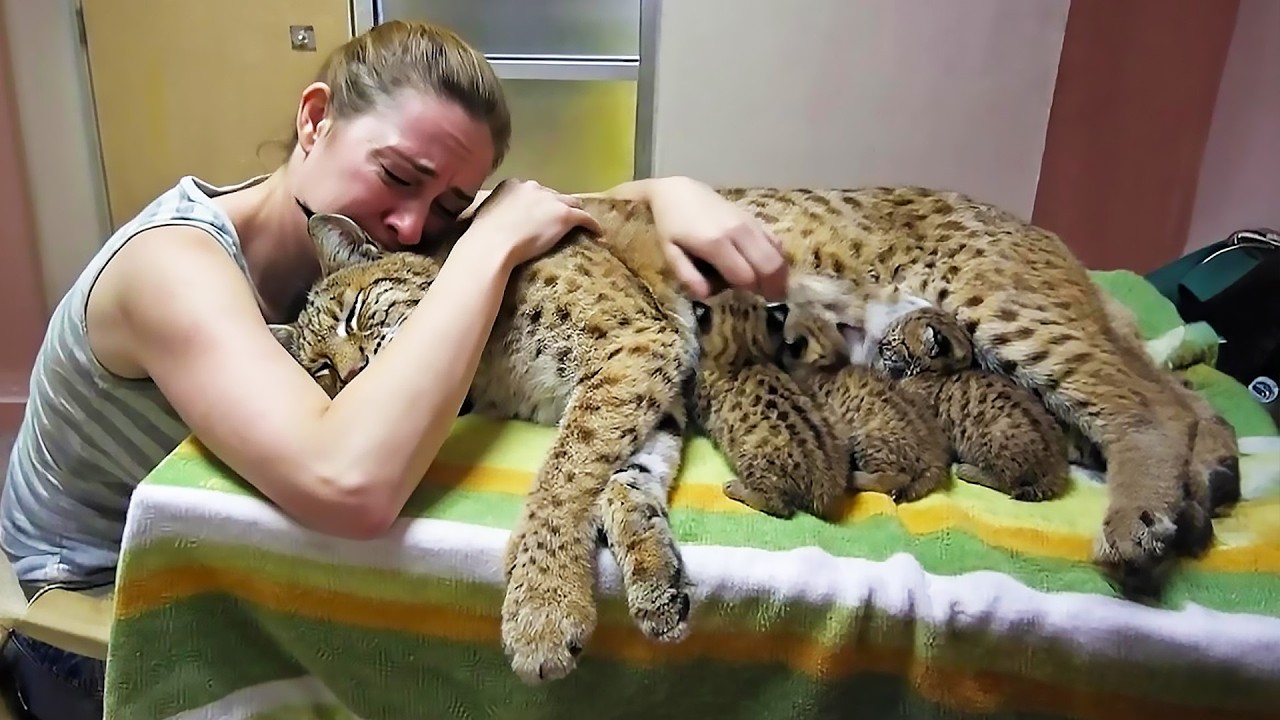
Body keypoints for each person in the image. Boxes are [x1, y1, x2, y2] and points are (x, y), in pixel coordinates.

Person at [0, 19, 787, 720]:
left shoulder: (359, 242)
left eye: (449, 207)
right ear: (315, 120)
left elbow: (550, 205)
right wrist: (482, 243)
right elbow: (349, 487)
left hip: (236, 566)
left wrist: (673, 192)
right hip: (95, 613)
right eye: (399, 177)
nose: (414, 226)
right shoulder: (171, 266)